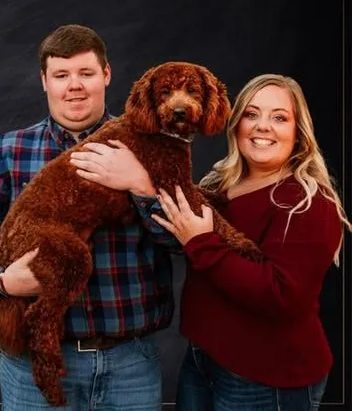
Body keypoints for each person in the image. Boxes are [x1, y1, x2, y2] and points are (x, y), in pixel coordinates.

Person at [74, 73, 351, 411]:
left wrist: (201, 241)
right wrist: (140, 184)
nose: (263, 126)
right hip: (204, 361)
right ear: (236, 125)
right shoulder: (220, 185)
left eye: (279, 118)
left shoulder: (308, 203)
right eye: (251, 114)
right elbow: (174, 221)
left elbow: (281, 297)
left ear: (299, 133)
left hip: (268, 377)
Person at [0, 24, 177, 411]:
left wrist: (141, 187)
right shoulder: (8, 152)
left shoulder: (147, 148)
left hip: (130, 363)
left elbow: (182, 241)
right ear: (44, 81)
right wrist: (1, 279)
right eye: (61, 75)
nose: (75, 86)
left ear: (106, 74)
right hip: (32, 362)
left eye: (86, 73)